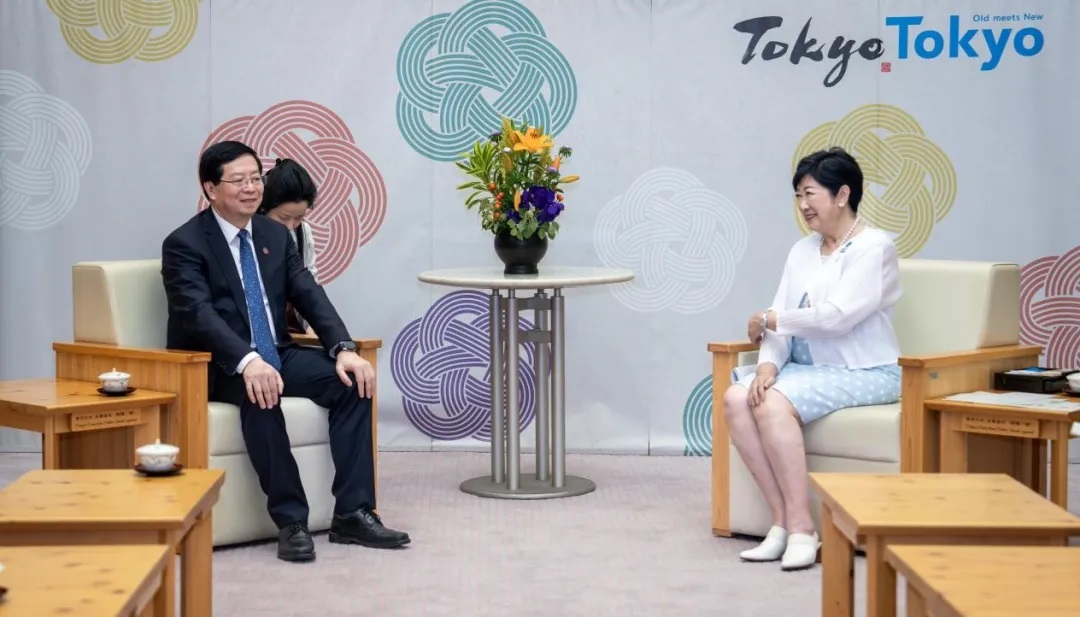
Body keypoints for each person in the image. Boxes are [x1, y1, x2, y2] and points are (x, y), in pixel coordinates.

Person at [161, 140, 409, 563]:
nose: (250, 188)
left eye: (255, 178)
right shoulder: (185, 243)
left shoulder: (275, 234)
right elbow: (198, 315)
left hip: (277, 352)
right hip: (218, 364)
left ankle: (353, 513)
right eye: (238, 180)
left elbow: (309, 293)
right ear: (210, 189)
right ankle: (291, 521)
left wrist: (344, 348)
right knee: (262, 391)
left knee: (352, 383)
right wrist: (247, 360)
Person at [723, 147, 902, 571]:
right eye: (798, 196)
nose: (803, 205)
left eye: (810, 194)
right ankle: (781, 523)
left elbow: (835, 318)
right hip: (805, 370)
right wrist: (767, 365)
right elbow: (780, 314)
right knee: (736, 397)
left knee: (771, 402)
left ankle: (804, 528)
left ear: (842, 194)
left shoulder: (874, 248)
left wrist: (769, 320)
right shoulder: (802, 250)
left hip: (864, 369)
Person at [260, 158, 319, 335]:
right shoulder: (246, 232)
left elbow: (308, 284)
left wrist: (314, 325)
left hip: (289, 328)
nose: (290, 226)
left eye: (299, 217)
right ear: (264, 207)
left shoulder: (303, 232)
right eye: (283, 217)